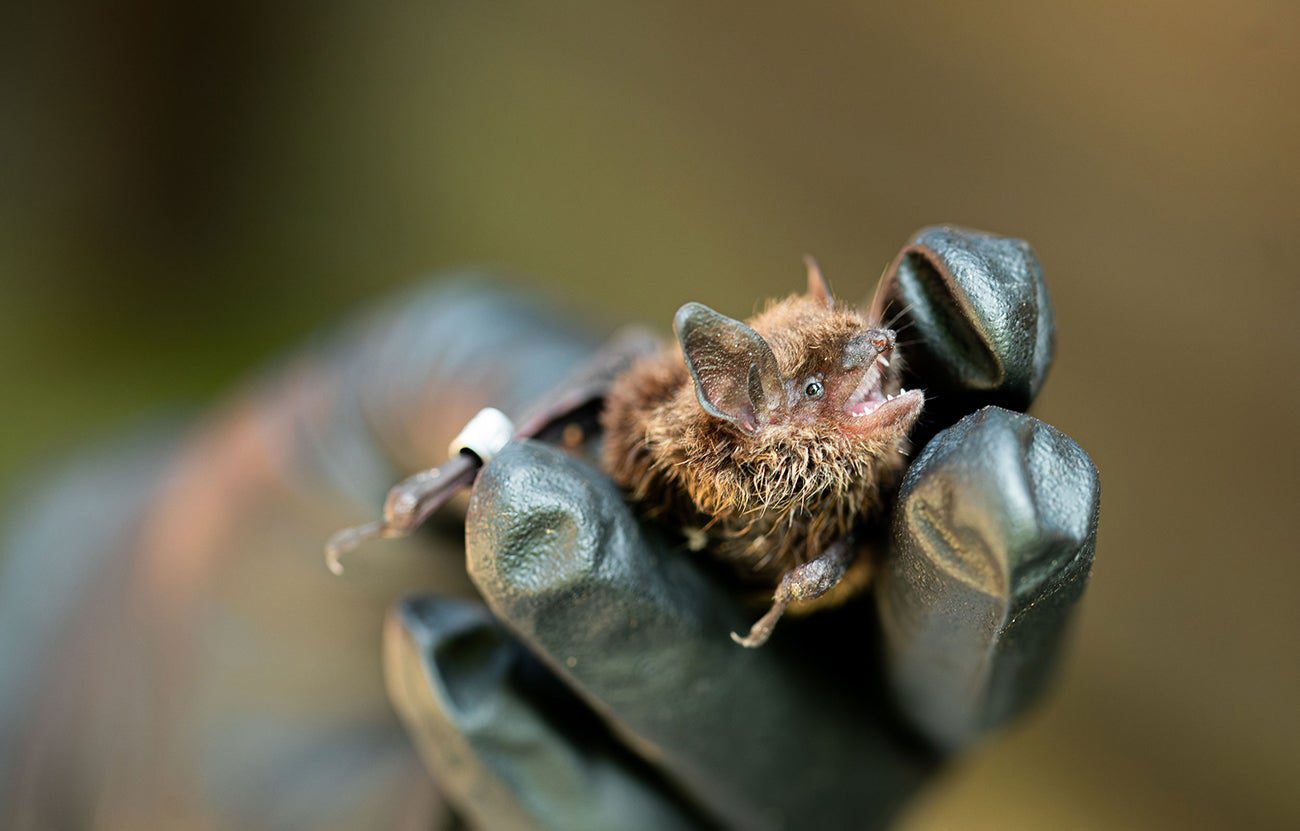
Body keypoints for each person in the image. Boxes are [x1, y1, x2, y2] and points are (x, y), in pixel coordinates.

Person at [0, 227, 1098, 830]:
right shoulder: (680, 434)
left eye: (875, 367)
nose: (882, 372)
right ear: (746, 394)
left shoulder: (849, 478)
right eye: (837, 382)